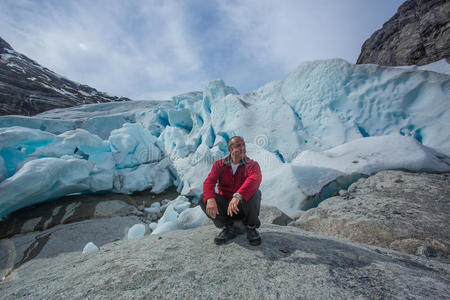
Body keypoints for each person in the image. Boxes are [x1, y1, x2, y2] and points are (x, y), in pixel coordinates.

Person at [199, 136, 262, 246]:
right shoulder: (220, 165)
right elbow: (209, 181)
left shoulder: (252, 164)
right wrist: (210, 198)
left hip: (243, 206)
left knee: (255, 192)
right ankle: (229, 227)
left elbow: (255, 179)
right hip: (227, 207)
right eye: (238, 146)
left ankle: (251, 228)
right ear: (230, 149)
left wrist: (238, 195)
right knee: (203, 198)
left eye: (243, 145)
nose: (242, 148)